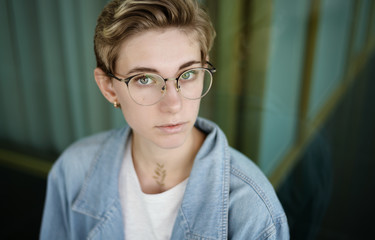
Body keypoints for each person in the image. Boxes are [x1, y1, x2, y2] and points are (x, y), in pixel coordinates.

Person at [40, 0, 289, 239]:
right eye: (145, 79)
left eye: (189, 73)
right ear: (109, 88)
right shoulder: (72, 172)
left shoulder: (254, 212)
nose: (173, 104)